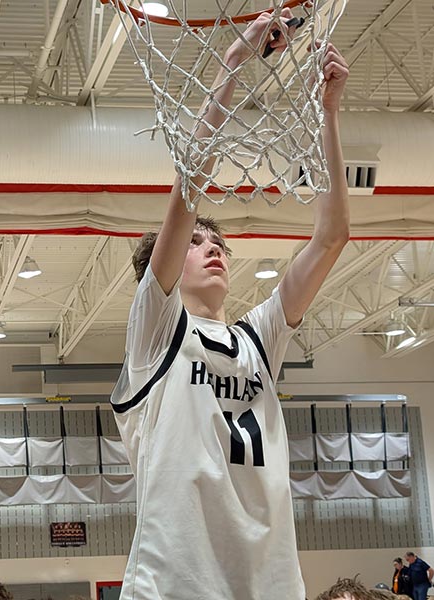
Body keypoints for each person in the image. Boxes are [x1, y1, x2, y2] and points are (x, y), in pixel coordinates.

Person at [109, 7, 350, 600]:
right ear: (157, 275)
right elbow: (190, 185)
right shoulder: (155, 331)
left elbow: (332, 236)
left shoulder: (258, 341)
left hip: (268, 582)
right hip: (176, 584)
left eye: (217, 241)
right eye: (194, 242)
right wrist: (233, 63)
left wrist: (329, 112)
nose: (210, 247)